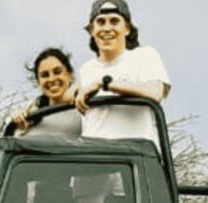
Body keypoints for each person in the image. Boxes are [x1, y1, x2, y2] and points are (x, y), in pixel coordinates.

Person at [73, 0, 171, 150]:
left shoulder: (144, 56)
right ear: (92, 30)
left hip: (133, 158)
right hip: (94, 158)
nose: (107, 28)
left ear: (127, 28)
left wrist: (104, 84)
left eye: (114, 21)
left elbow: (155, 91)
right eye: (100, 22)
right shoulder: (86, 69)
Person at [11, 47, 82, 137]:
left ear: (70, 74)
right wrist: (17, 121)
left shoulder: (86, 106)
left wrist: (80, 89)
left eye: (57, 72)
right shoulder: (31, 116)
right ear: (38, 81)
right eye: (45, 75)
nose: (51, 79)